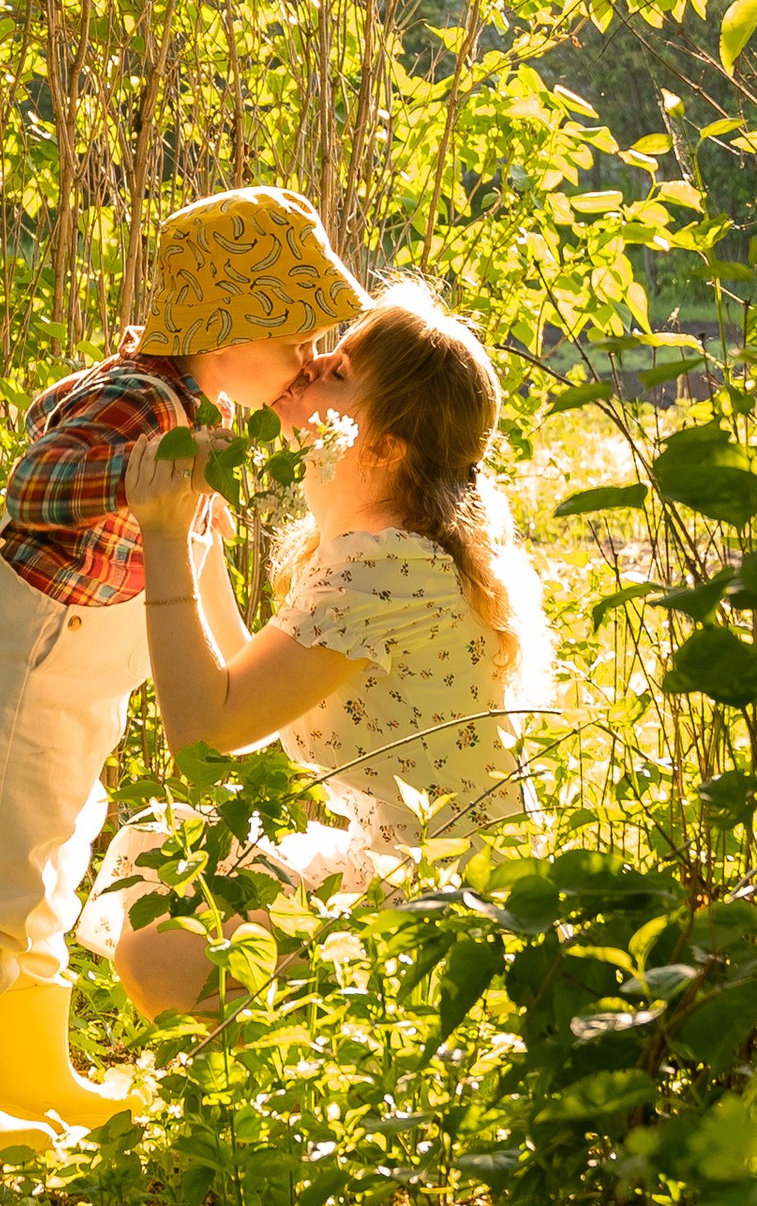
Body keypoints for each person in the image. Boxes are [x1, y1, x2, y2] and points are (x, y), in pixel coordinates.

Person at [0, 185, 368, 1164]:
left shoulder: (198, 406)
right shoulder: (144, 402)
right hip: (23, 658)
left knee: (54, 860)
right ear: (230, 328)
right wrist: (137, 478)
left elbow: (184, 540)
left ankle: (26, 1068)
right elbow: (33, 480)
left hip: (76, 669)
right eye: (295, 337)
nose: (305, 359)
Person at [87, 280, 552, 1012]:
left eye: (339, 371)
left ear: (386, 444)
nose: (310, 366)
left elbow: (204, 733)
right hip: (407, 874)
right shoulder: (379, 550)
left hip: (445, 916)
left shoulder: (388, 565)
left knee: (166, 942)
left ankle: (323, 1070)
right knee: (167, 858)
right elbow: (245, 707)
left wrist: (167, 537)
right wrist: (198, 536)